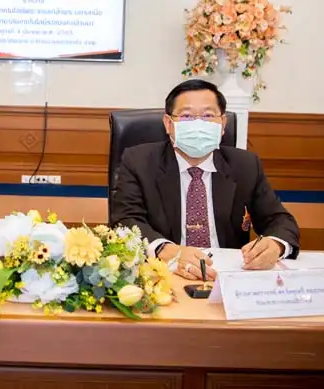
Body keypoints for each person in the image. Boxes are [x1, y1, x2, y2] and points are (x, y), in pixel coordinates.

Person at [110, 79, 299, 281]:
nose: (198, 125)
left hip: (227, 276)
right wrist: (164, 250)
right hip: (166, 274)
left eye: (208, 116)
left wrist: (275, 245)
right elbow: (125, 221)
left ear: (223, 124)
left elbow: (280, 220)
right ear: (168, 123)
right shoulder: (139, 162)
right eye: (186, 116)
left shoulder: (245, 165)